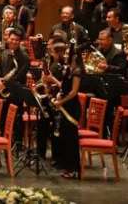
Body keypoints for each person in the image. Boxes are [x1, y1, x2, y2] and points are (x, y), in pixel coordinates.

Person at [53, 49, 84, 179]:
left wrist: (62, 101)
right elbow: (65, 88)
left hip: (72, 108)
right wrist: (59, 93)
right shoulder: (67, 69)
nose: (64, 55)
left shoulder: (77, 71)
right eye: (64, 52)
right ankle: (66, 166)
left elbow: (73, 92)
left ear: (74, 57)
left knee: (71, 139)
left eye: (67, 53)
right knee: (64, 137)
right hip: (65, 105)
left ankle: (73, 168)